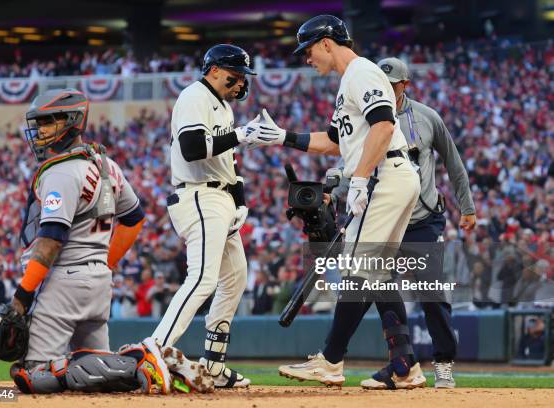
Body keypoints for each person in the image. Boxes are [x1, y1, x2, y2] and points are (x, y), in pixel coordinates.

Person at [247, 15, 425, 389]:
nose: (307, 58)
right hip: (389, 175)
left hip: (384, 176)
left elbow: (384, 125)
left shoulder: (361, 72)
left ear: (327, 43)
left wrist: (359, 177)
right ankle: (405, 365)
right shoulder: (350, 81)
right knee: (378, 273)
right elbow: (332, 141)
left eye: (309, 50)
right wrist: (282, 136)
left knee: (358, 272)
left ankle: (330, 360)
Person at [0, 88, 176, 395]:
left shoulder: (60, 172)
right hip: (99, 283)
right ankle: (132, 365)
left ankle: (137, 359)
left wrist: (21, 298)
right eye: (39, 123)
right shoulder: (106, 164)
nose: (40, 130)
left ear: (72, 121)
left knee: (32, 375)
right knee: (101, 380)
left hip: (63, 283)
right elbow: (134, 218)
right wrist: (107, 262)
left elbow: (51, 240)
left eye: (49, 121)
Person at [148, 44, 272, 388]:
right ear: (214, 70)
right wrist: (240, 135)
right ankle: (154, 349)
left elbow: (229, 164)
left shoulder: (222, 107)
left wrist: (241, 200)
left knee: (235, 277)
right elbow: (191, 148)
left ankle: (214, 366)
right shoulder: (194, 96)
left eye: (243, 78)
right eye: (234, 76)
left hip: (219, 196)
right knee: (203, 278)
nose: (240, 84)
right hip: (199, 194)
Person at [353, 57, 476, 389]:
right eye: (383, 84)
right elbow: (350, 161)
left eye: (393, 86)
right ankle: (401, 364)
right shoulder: (365, 118)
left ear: (405, 85)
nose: (387, 91)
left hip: (423, 220)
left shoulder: (427, 117)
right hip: (387, 218)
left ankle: (443, 362)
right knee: (383, 292)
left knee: (431, 292)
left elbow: (454, 163)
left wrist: (467, 207)